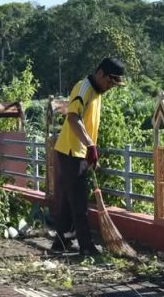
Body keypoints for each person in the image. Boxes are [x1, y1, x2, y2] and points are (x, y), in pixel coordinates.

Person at [51, 57, 126, 257]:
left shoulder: (97, 91)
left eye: (114, 84)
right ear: (100, 73)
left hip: (79, 151)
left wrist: (91, 150)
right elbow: (73, 117)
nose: (110, 86)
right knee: (79, 203)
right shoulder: (83, 88)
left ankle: (61, 242)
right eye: (110, 81)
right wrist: (89, 145)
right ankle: (86, 246)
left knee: (69, 200)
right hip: (71, 151)